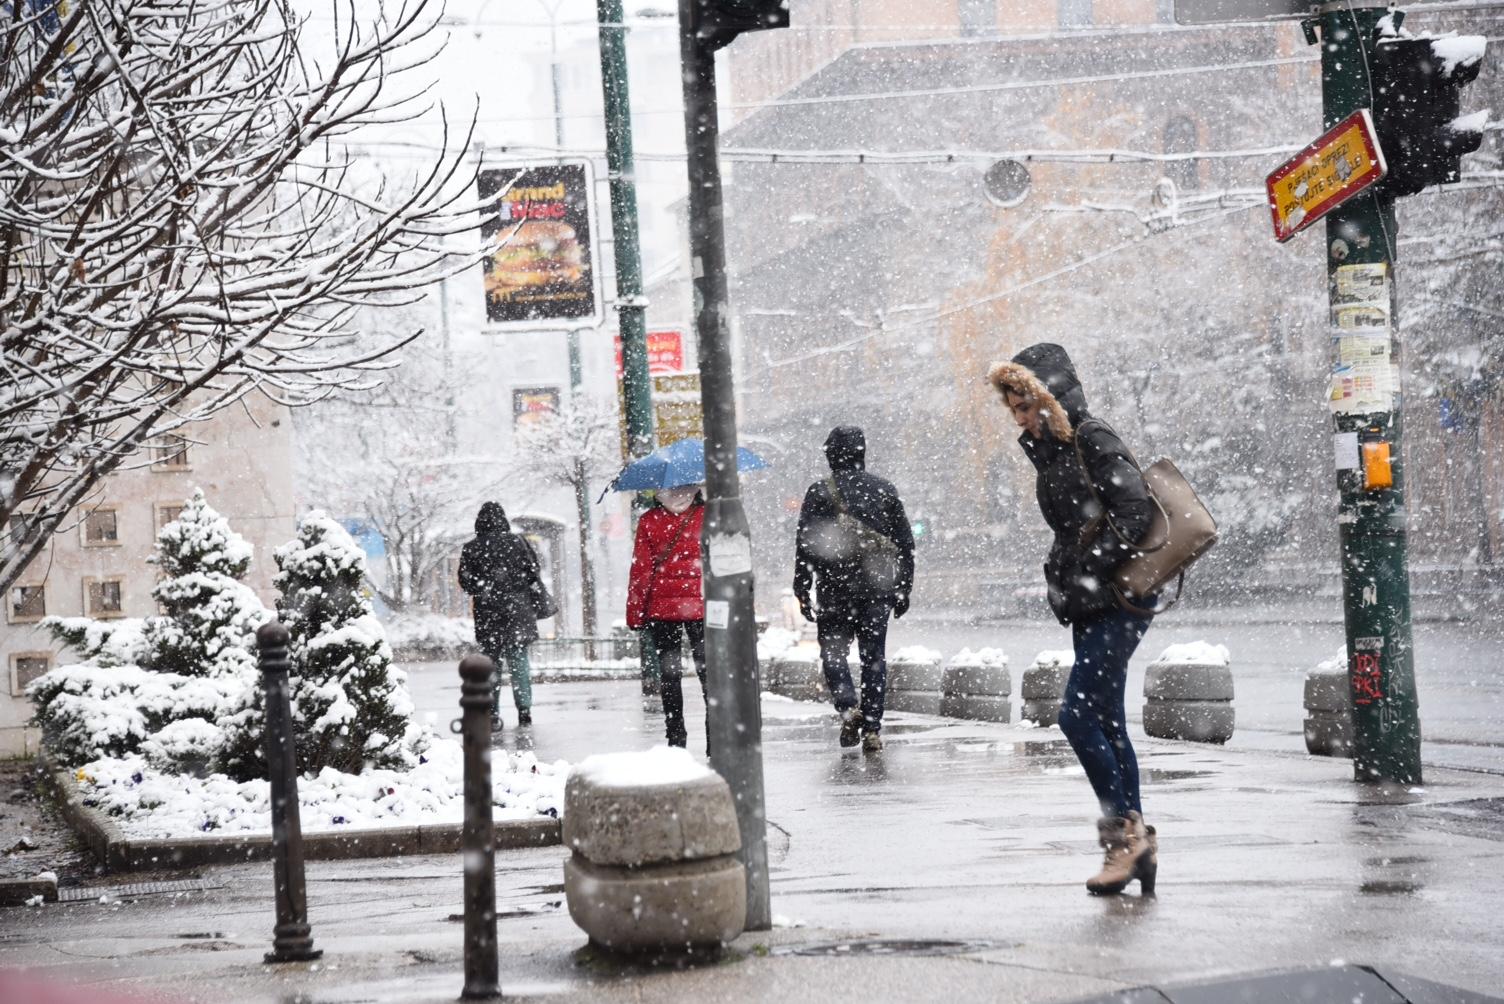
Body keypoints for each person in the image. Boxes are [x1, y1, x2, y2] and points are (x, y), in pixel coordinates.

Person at [988, 343, 1159, 896]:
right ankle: (1138, 843)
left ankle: (1122, 840)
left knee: (1075, 715)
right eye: (1012, 408)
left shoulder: (1091, 438)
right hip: (1091, 600)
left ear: (1052, 396)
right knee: (1106, 720)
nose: (1018, 418)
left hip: (1119, 599)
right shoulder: (1055, 451)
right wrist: (1065, 573)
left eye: (1025, 404)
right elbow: (1073, 528)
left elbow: (1134, 513)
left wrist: (1083, 566)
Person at [794, 426, 914, 754]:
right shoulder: (884, 490)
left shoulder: (820, 492)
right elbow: (905, 543)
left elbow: (806, 545)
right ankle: (873, 727)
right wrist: (903, 587)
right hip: (877, 589)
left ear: (831, 455)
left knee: (833, 653)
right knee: (873, 656)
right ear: (862, 453)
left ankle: (849, 707)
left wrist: (802, 587)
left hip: (834, 590)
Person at [626, 484, 708, 752]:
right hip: (702, 606)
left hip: (662, 609)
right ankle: (716, 734)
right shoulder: (709, 515)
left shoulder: (649, 521)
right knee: (709, 672)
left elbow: (641, 570)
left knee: (670, 674)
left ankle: (676, 737)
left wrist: (636, 612)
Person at [458, 502, 543, 728]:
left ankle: (492, 714)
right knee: (519, 662)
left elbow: (467, 583)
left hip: (488, 614)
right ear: (503, 520)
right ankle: (524, 710)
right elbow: (533, 572)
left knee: (490, 665)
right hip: (518, 612)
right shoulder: (518, 542)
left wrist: (486, 585)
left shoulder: (471, 548)